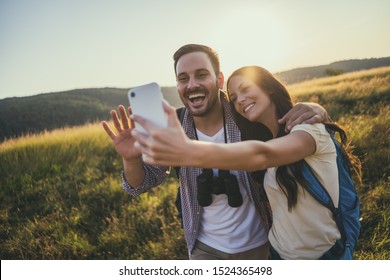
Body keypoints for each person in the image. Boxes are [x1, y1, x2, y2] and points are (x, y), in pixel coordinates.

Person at [102, 44, 329, 260]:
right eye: (183, 78)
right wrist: (131, 159)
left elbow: (280, 127)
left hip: (262, 242)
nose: (192, 85)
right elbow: (143, 183)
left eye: (201, 74)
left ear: (219, 79)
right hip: (204, 248)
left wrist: (317, 109)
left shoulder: (245, 113)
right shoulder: (174, 125)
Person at [131, 65, 362, 260]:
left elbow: (261, 155)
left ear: (269, 88)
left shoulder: (307, 130)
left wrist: (187, 150)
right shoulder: (262, 134)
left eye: (245, 89)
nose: (240, 100)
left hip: (322, 256)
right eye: (234, 97)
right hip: (278, 254)